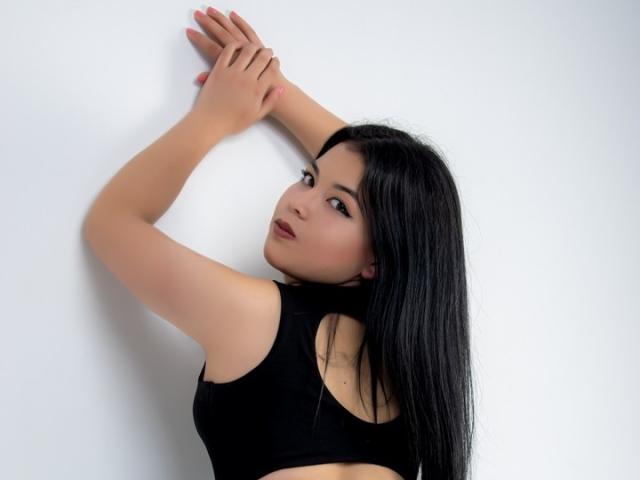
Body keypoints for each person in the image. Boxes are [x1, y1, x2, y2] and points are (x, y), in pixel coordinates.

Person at [84, 6, 474, 480]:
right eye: (308, 178)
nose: (299, 203)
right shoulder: (413, 375)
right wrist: (273, 88)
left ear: (381, 258)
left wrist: (214, 117)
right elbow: (388, 191)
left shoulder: (258, 318)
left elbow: (112, 223)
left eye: (338, 206)